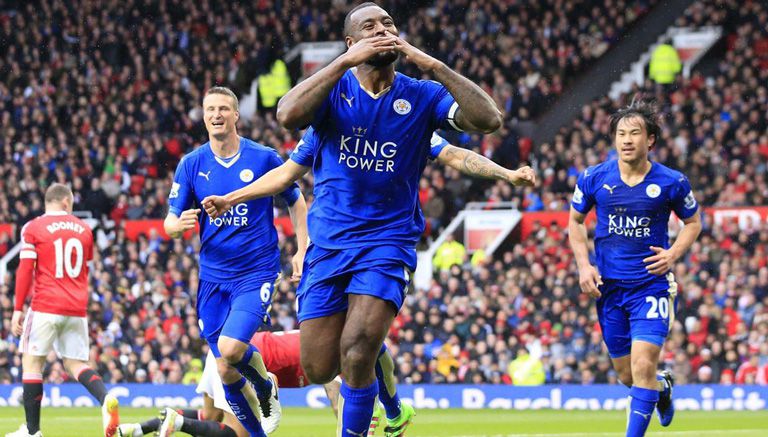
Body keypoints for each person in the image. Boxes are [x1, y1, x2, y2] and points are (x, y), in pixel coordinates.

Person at [201, 2, 536, 433]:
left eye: (389, 24)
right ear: (351, 43)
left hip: (387, 242)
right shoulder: (330, 98)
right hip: (329, 245)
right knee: (320, 367)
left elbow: (487, 121)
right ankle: (391, 400)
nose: (382, 31)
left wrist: (432, 64)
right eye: (369, 27)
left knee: (359, 350)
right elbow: (287, 124)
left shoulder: (421, 96)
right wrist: (233, 197)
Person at [163, 86, 309, 436]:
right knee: (225, 370)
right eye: (210, 109)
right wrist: (176, 227)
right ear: (203, 115)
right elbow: (170, 219)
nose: (216, 115)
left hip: (255, 271)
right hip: (213, 277)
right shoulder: (192, 164)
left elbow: (296, 200)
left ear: (235, 115)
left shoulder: (263, 158)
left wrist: (303, 248)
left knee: (231, 349)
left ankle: (264, 385)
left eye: (223, 109)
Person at [568, 99, 701, 437]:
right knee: (628, 376)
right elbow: (575, 221)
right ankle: (663, 389)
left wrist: (672, 255)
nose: (627, 140)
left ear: (650, 140)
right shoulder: (594, 177)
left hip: (651, 286)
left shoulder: (671, 182)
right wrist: (584, 266)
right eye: (621, 134)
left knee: (643, 366)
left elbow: (694, 222)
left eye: (635, 133)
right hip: (610, 288)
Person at [118, 330, 405, 437]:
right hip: (239, 357)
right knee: (239, 435)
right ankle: (177, 423)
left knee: (210, 417)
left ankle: (137, 428)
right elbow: (273, 379)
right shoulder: (330, 356)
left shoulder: (326, 348)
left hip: (226, 350)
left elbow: (339, 392)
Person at [8, 183, 120, 437]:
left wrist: (17, 308)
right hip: (76, 307)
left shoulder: (34, 227)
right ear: (67, 203)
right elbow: (85, 266)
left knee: (32, 363)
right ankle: (105, 399)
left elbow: (25, 269)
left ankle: (32, 431)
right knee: (75, 363)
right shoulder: (84, 230)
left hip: (46, 304)